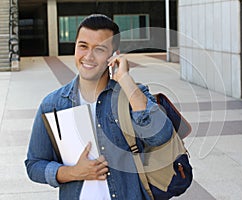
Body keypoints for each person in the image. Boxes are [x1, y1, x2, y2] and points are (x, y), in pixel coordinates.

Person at [25, 14, 173, 200]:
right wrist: (73, 173)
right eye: (83, 46)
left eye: (99, 49)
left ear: (114, 55)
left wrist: (125, 80)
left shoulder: (132, 94)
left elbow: (161, 136)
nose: (88, 56)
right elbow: (34, 165)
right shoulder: (53, 104)